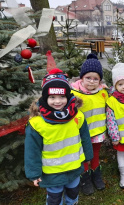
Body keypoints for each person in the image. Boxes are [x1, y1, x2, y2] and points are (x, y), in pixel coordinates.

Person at [24, 68, 93, 205]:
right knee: (54, 198)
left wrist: (88, 156)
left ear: (68, 96)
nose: (58, 101)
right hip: (52, 173)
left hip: (74, 168)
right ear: (45, 98)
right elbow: (32, 150)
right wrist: (34, 174)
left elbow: (85, 137)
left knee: (73, 192)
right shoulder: (37, 123)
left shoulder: (77, 116)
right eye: (52, 97)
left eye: (62, 96)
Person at [71, 53, 108, 195]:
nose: (92, 82)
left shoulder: (103, 93)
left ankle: (96, 175)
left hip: (98, 131)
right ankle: (84, 178)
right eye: (88, 78)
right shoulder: (73, 93)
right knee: (84, 155)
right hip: (81, 133)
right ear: (82, 77)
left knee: (95, 154)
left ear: (100, 80)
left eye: (95, 79)